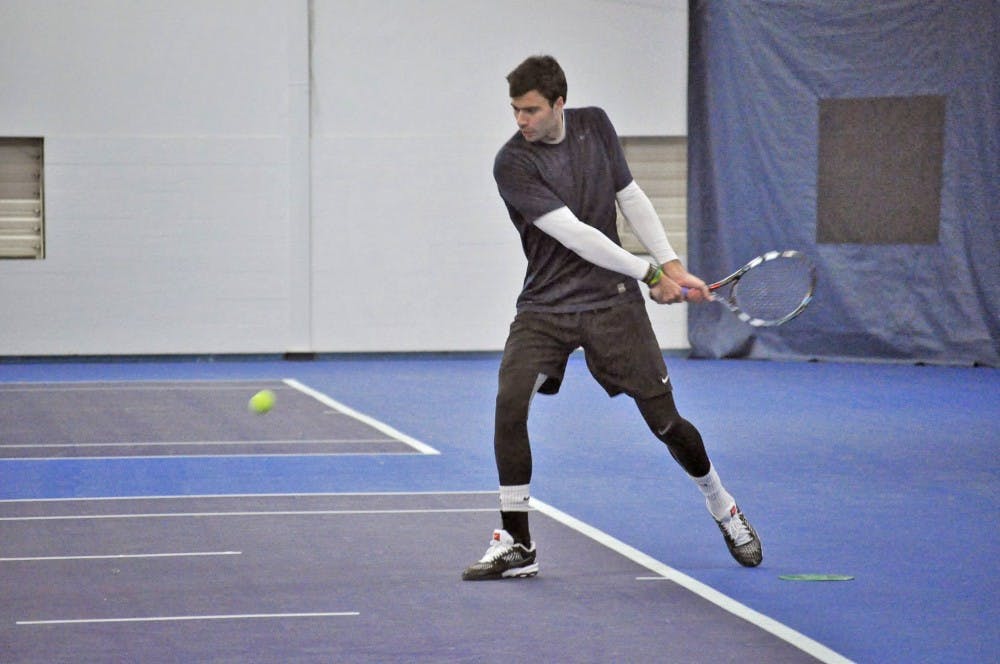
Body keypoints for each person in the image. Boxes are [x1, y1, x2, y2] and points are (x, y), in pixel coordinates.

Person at [461, 55, 762, 581]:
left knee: (666, 423)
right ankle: (517, 541)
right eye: (514, 110)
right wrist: (651, 276)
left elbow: (630, 196)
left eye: (530, 110)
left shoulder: (595, 125)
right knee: (510, 404)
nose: (521, 121)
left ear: (559, 104)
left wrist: (670, 264)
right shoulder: (511, 163)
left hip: (611, 305)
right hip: (546, 307)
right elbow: (575, 233)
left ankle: (723, 506)